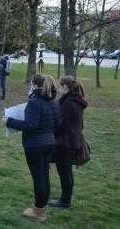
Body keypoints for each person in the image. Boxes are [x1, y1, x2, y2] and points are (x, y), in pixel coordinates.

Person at [3, 74, 61, 221]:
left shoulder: (35, 102)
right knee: (44, 176)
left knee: (38, 178)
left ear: (35, 86)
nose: (30, 87)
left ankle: (39, 211)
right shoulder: (54, 100)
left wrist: (9, 121)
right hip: (49, 143)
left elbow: (30, 125)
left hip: (35, 146)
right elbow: (58, 123)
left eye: (31, 84)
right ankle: (42, 207)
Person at [50, 76, 88, 209]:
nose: (59, 89)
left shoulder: (68, 103)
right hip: (73, 140)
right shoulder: (76, 100)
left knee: (64, 172)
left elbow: (62, 126)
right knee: (67, 172)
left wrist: (53, 132)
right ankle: (66, 198)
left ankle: (65, 201)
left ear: (65, 87)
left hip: (65, 143)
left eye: (60, 86)